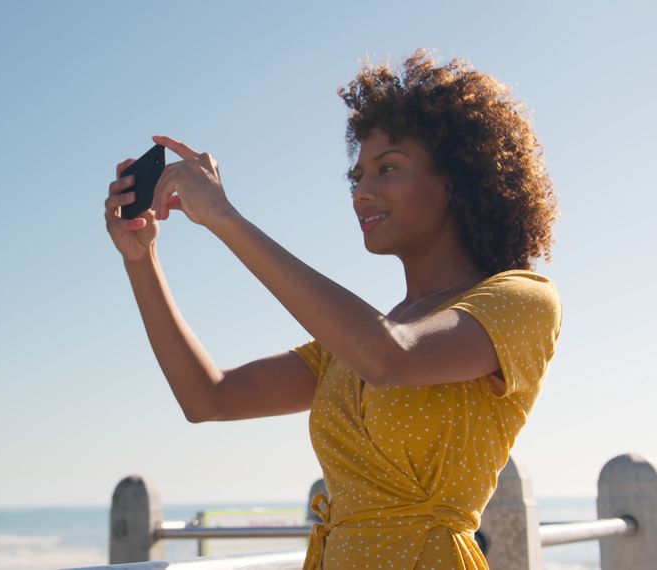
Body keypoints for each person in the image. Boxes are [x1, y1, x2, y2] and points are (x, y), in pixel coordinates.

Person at [102, 49, 561, 570]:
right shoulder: (351, 345)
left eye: (387, 168)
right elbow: (209, 397)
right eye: (357, 175)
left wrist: (225, 217)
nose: (362, 191)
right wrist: (142, 259)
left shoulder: (522, 299)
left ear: (459, 178)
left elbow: (392, 359)